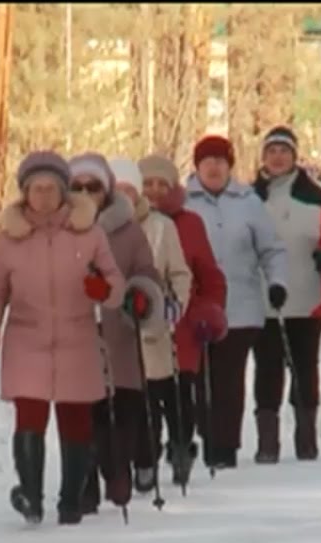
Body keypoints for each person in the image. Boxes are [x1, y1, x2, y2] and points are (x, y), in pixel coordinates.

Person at [0, 150, 126, 525]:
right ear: (25, 193)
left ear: (64, 191)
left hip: (77, 337)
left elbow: (116, 286)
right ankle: (30, 495)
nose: (43, 196)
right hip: (27, 336)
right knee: (30, 417)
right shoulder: (10, 239)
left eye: (50, 188)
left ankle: (70, 501)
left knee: (76, 419)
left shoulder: (88, 233)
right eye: (35, 189)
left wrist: (101, 288)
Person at [66, 152, 164, 514]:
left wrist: (139, 296)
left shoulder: (127, 228)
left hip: (118, 332)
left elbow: (146, 271)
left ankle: (117, 470)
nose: (85, 192)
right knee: (81, 414)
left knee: (122, 414)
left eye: (93, 186)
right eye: (77, 187)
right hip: (74, 334)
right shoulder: (57, 229)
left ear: (105, 190)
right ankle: (84, 486)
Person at [184, 135, 288, 470]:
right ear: (196, 166)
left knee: (229, 379)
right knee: (199, 379)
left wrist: (277, 283)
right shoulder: (184, 203)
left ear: (230, 166)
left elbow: (271, 249)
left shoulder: (248, 202)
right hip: (194, 309)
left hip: (240, 307)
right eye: (207, 161)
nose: (213, 167)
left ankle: (225, 446)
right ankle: (204, 434)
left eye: (220, 161)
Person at [250, 126, 321, 463]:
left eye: (284, 151)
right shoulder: (249, 198)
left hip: (308, 298)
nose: (278, 157)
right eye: (272, 151)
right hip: (263, 299)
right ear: (263, 157)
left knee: (305, 368)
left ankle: (306, 439)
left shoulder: (317, 198)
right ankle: (267, 442)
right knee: (267, 369)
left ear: (295, 157)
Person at [138, 153, 229, 488]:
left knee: (177, 395)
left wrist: (209, 312)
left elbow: (209, 277)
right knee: (145, 397)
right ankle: (145, 456)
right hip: (140, 324)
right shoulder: (126, 222)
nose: (155, 191)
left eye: (163, 184)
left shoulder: (189, 223)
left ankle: (181, 448)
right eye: (148, 184)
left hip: (182, 323)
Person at [108, 157, 193, 494]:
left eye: (130, 191)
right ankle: (127, 464)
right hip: (113, 333)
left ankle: (152, 459)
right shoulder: (96, 230)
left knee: (153, 397)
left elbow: (180, 274)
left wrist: (175, 306)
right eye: (117, 191)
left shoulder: (160, 226)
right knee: (122, 402)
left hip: (153, 328)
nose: (123, 197)